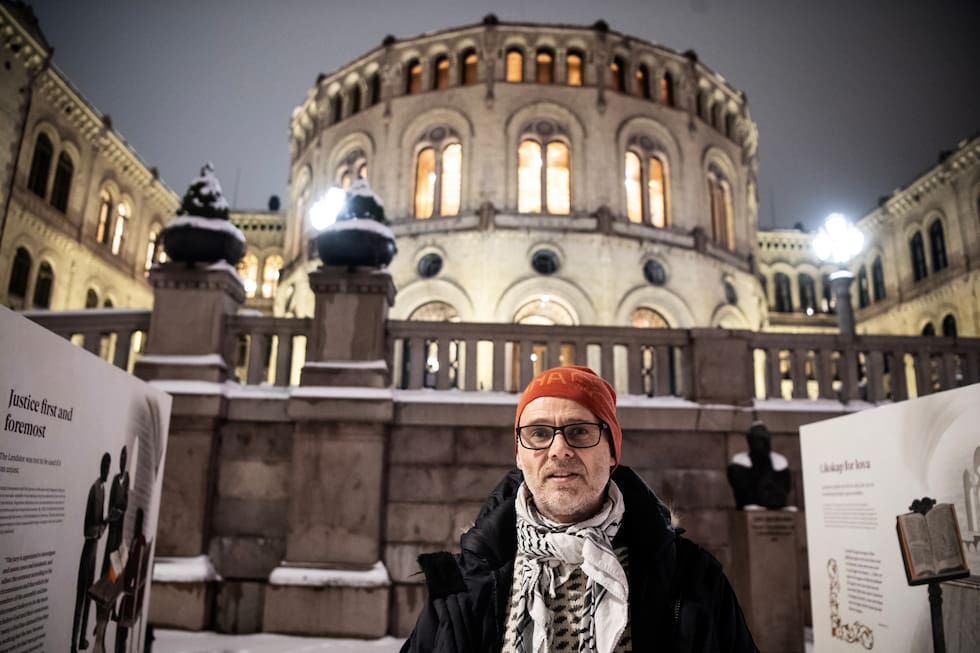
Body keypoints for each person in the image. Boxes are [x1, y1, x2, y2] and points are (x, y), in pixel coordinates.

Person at [402, 365, 757, 652]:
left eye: (580, 431)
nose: (559, 449)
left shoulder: (691, 576)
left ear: (613, 451)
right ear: (519, 454)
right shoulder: (464, 582)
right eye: (539, 434)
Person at [72, 453, 110, 653]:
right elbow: (87, 529)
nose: (107, 471)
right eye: (106, 466)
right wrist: (102, 526)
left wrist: (104, 523)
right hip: (89, 549)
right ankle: (72, 643)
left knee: (89, 595)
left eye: (108, 466)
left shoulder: (103, 490)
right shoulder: (94, 490)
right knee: (81, 595)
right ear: (101, 467)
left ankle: (81, 640)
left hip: (95, 549)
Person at [726, 421, 792, 510]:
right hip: (752, 505)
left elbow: (784, 489)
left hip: (774, 505)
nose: (762, 443)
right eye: (757, 439)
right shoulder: (740, 464)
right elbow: (742, 490)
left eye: (764, 439)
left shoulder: (779, 463)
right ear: (750, 441)